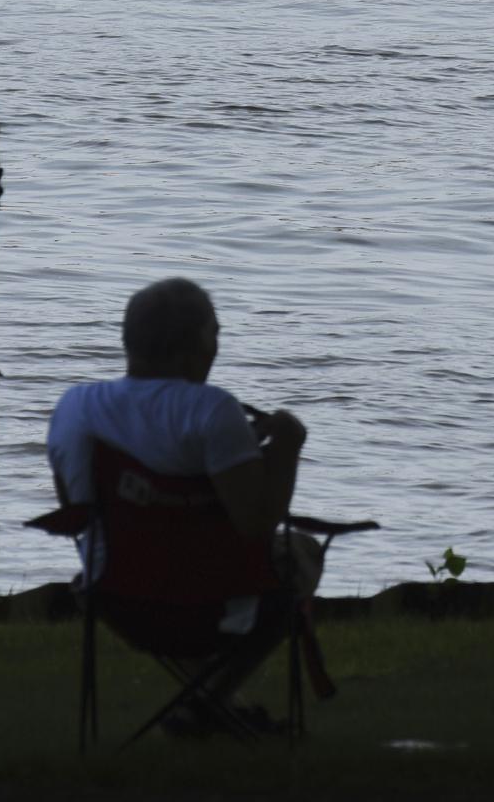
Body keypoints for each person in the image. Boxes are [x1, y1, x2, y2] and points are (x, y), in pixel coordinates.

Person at [47, 278, 319, 717]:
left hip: (114, 596)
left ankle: (211, 703)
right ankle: (207, 701)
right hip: (212, 603)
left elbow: (75, 512)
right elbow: (255, 524)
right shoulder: (213, 411)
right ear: (191, 348)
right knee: (301, 553)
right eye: (215, 333)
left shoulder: (75, 407)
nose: (217, 345)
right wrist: (285, 449)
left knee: (178, 572)